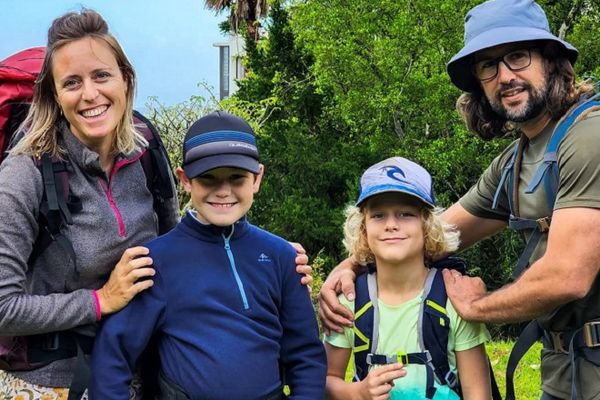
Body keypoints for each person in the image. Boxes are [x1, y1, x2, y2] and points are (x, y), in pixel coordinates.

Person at [0, 9, 311, 400]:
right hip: (48, 381)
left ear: (126, 80)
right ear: (54, 94)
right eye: (72, 82)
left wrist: (272, 259)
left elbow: (177, 249)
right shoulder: (24, 173)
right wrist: (100, 301)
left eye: (101, 75)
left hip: (136, 374)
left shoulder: (144, 147)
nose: (90, 94)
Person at [318, 0, 600, 399]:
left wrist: (475, 308)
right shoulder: (515, 163)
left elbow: (568, 276)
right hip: (566, 369)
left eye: (517, 56)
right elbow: (435, 232)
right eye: (488, 66)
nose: (504, 76)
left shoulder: (589, 138)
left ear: (550, 60)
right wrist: (349, 265)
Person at [89, 111, 327, 400]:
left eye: (237, 178)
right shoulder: (154, 261)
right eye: (208, 178)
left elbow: (306, 356)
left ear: (257, 178)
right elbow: (114, 356)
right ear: (185, 180)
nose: (223, 191)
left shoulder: (281, 257)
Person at [325, 157, 491, 400]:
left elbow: (478, 395)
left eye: (405, 214)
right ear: (363, 229)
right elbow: (325, 380)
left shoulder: (454, 300)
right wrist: (357, 392)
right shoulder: (349, 302)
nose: (391, 225)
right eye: (378, 215)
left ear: (427, 226)